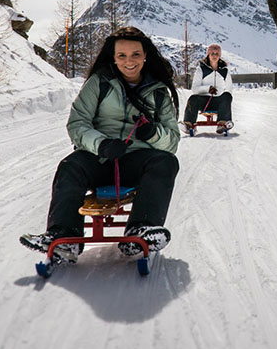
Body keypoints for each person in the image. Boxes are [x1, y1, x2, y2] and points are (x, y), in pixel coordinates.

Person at [20, 27, 180, 264]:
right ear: (113, 57)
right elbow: (77, 123)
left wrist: (152, 133)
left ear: (145, 55)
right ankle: (64, 236)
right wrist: (101, 144)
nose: (129, 61)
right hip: (100, 157)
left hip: (138, 161)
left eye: (135, 55)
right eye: (122, 55)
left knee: (166, 162)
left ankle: (141, 231)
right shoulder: (99, 83)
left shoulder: (158, 93)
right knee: (71, 165)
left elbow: (173, 140)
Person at [182, 43, 234, 134]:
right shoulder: (201, 69)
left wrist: (223, 95)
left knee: (227, 96)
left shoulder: (224, 71)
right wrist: (208, 89)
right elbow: (194, 89)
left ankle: (222, 123)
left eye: (216, 54)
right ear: (208, 55)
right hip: (204, 101)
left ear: (220, 55)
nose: (214, 56)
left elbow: (229, 88)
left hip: (218, 101)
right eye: (212, 53)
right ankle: (188, 124)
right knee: (193, 98)